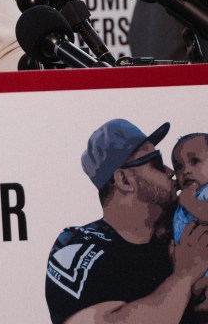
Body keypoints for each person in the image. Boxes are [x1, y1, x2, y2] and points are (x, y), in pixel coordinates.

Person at [44, 119, 208, 324]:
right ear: (125, 180)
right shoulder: (80, 249)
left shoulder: (183, 226)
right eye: (156, 162)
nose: (172, 171)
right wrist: (185, 276)